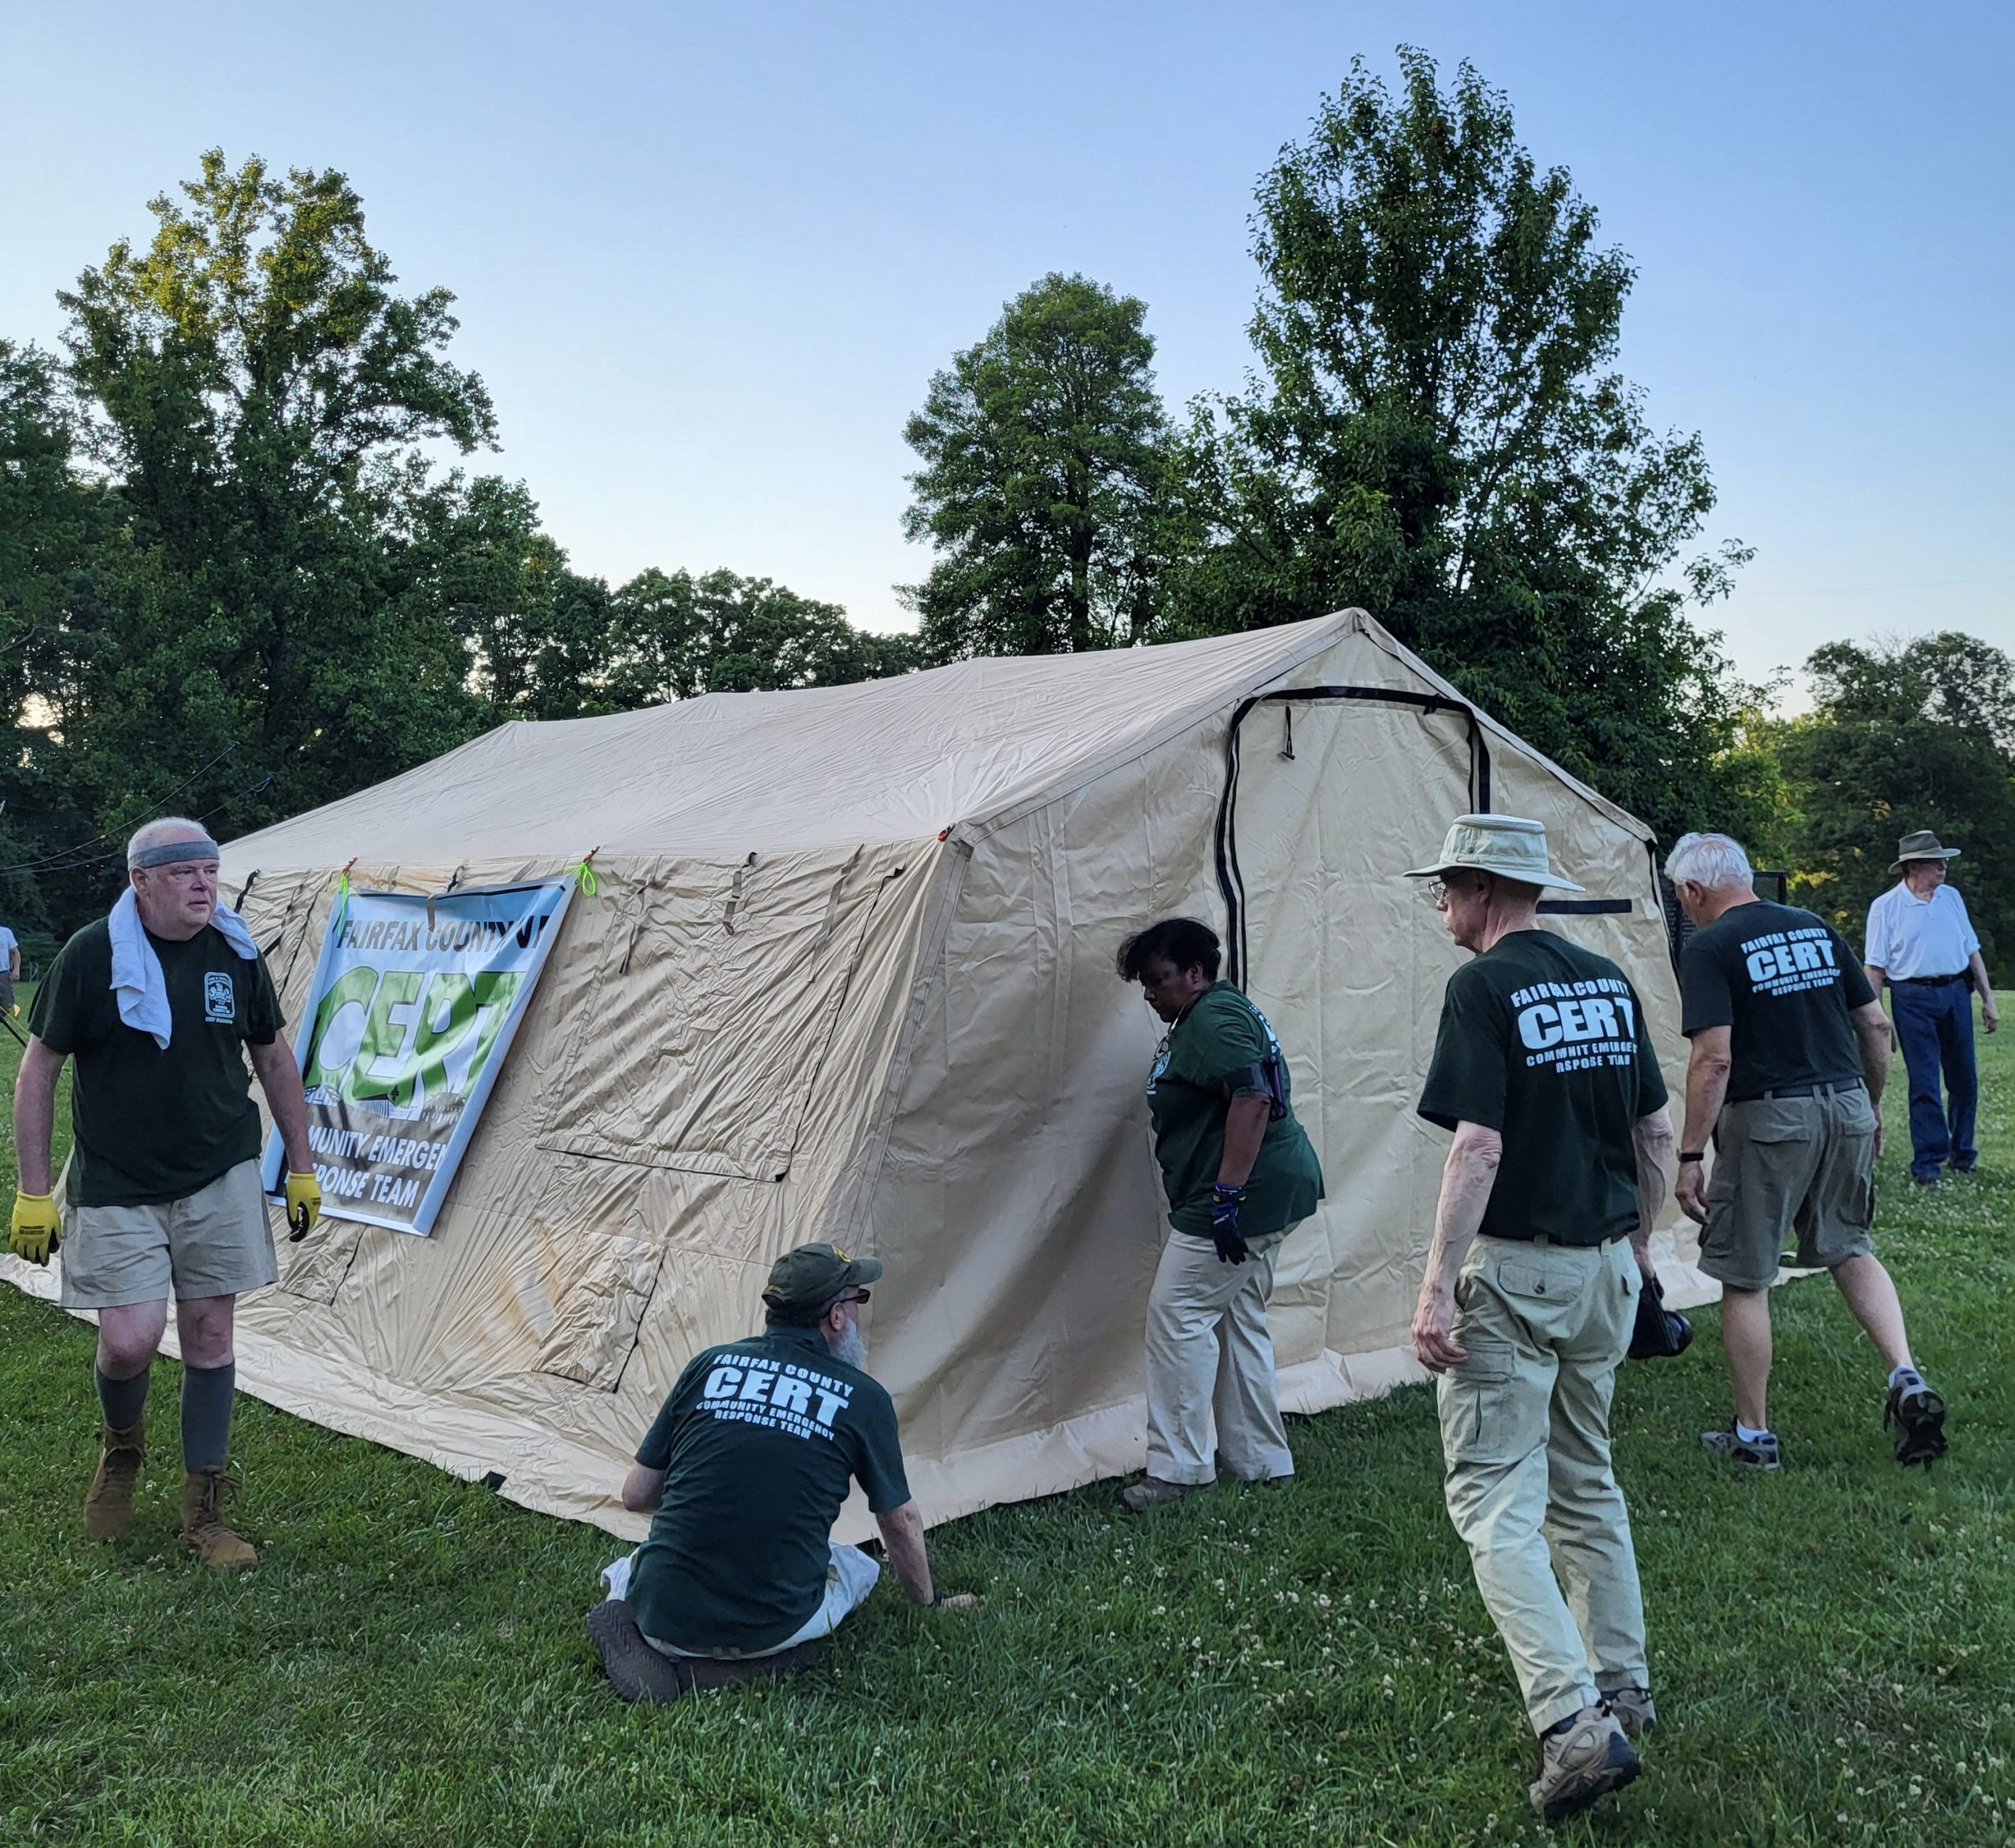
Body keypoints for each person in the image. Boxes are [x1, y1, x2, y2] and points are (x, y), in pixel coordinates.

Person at [1405, 813, 1672, 1823]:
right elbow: (1653, 1124)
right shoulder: (1604, 976)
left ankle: (1571, 1722)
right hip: (1606, 1262)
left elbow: (1477, 1144)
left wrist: (1435, 1287)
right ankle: (1623, 1685)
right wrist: (1640, 1247)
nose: (1438, 901)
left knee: (1493, 1500)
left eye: (1445, 885)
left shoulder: (1481, 985)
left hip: (1517, 1272)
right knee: (1586, 1477)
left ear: (1482, 890)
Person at [8, 818, 321, 1569]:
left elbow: (274, 1058)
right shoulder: (92, 956)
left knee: (211, 1336)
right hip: (117, 1180)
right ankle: (122, 1451)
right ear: (141, 883)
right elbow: (38, 1069)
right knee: (129, 1339)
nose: (204, 887)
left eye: (210, 872)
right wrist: (33, 1194)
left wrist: (302, 1166)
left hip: (218, 1170)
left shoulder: (235, 953)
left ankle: (204, 1506)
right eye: (185, 874)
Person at [586, 1241, 975, 1703]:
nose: (859, 1316)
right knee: (856, 1566)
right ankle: (751, 1662)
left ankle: (632, 1623)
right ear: (836, 1317)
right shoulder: (863, 1398)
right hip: (768, 1623)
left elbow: (635, 1496)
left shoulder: (708, 1366)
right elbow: (900, 1521)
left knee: (633, 1567)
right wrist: (928, 1604)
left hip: (660, 1610)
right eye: (858, 1301)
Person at [1666, 831, 1947, 1470]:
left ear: (1694, 890)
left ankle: (1754, 1436)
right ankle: (1905, 1373)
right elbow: (1875, 1023)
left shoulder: (1709, 946)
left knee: (1746, 1274)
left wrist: (1688, 1158)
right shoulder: (1812, 925)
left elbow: (1713, 1059)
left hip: (1769, 1118)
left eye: (1683, 900)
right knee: (1850, 1246)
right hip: (1846, 1101)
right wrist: (1869, 1105)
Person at [1111, 917, 1324, 1513]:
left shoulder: (1214, 1019)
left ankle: (1179, 1472)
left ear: (1196, 974)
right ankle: (1260, 1461)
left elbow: (1253, 1095)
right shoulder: (1207, 1014)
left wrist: (1227, 1198)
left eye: (1158, 981)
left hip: (1239, 1197)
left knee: (1177, 1315)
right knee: (1236, 1317)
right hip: (1267, 1189)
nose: (1150, 994)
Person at [1862, 829, 1999, 1187]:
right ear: (1914, 867)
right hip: (1912, 997)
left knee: (1964, 1079)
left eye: (1943, 862)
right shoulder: (1886, 908)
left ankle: (1963, 1152)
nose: (1944, 867)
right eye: (1936, 863)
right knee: (1924, 1081)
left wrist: (1987, 998)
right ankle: (1927, 1160)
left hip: (1955, 990)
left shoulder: (1951, 897)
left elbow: (1972, 950)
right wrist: (1878, 1018)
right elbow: (1874, 968)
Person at [0, 916, 20, 1018]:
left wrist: (16, 971)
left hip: (3, 974)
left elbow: (14, 953)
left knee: (6, 1004)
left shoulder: (5, 932)